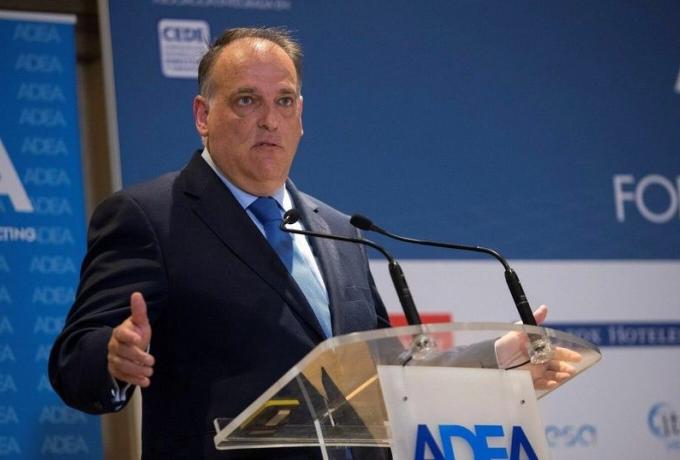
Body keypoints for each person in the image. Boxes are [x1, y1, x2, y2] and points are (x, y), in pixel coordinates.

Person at [49, 27, 578, 459]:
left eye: (284, 101)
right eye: (247, 100)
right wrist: (113, 359)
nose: (269, 119)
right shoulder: (150, 216)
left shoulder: (340, 230)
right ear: (203, 116)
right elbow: (73, 361)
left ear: (300, 116)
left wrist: (495, 362)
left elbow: (389, 375)